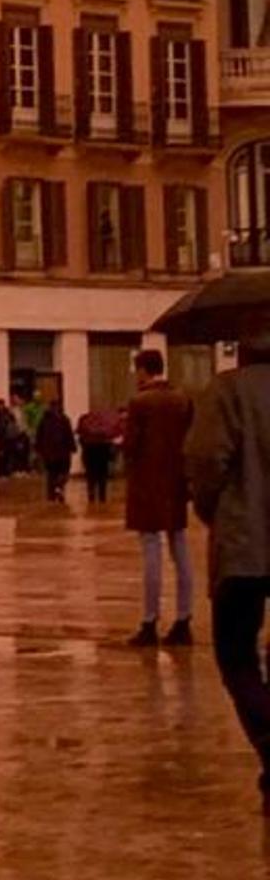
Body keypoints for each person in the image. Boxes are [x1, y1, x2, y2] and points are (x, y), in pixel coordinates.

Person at [185, 321, 270, 811]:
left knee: (235, 656)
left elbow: (204, 460)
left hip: (243, 545)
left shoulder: (227, 392)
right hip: (246, 538)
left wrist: (212, 507)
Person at [124, 348, 193, 647]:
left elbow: (131, 446)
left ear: (143, 370)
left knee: (151, 551)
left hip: (147, 485)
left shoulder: (140, 402)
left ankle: (150, 620)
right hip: (176, 484)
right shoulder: (182, 400)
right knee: (180, 548)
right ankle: (183, 618)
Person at [77, 406, 119, 506]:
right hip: (102, 461)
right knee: (102, 479)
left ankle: (91, 496)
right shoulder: (105, 433)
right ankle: (102, 497)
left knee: (91, 479)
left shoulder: (87, 429)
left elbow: (81, 441)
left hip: (90, 459)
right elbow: (110, 446)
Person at [35, 400, 76, 503]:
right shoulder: (63, 419)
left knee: (52, 474)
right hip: (61, 453)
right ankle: (58, 489)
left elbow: (39, 436)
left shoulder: (44, 420)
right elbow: (69, 435)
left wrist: (39, 449)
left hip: (51, 453)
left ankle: (52, 493)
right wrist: (72, 447)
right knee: (62, 473)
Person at [0, 397, 18, 480]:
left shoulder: (7, 412)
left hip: (7, 437)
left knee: (7, 455)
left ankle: (6, 472)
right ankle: (0, 473)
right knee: (1, 455)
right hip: (0, 437)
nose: (0, 406)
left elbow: (13, 421)